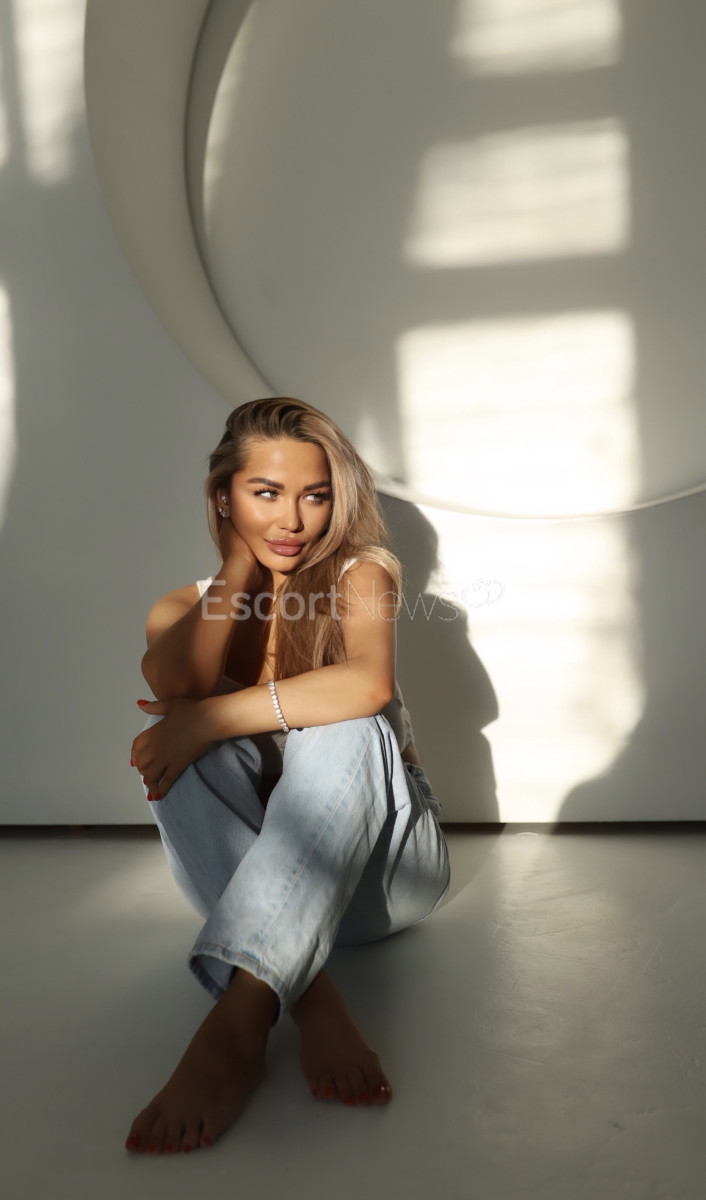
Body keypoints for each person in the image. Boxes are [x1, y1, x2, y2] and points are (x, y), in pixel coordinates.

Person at [125, 397, 450, 1156]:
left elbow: (367, 684)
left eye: (315, 495)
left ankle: (238, 1025)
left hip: (385, 878)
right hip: (244, 878)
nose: (293, 520)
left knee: (349, 722)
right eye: (265, 493)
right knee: (177, 736)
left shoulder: (362, 575)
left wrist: (210, 717)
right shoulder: (181, 606)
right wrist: (238, 566)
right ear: (224, 496)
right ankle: (312, 1001)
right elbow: (175, 684)